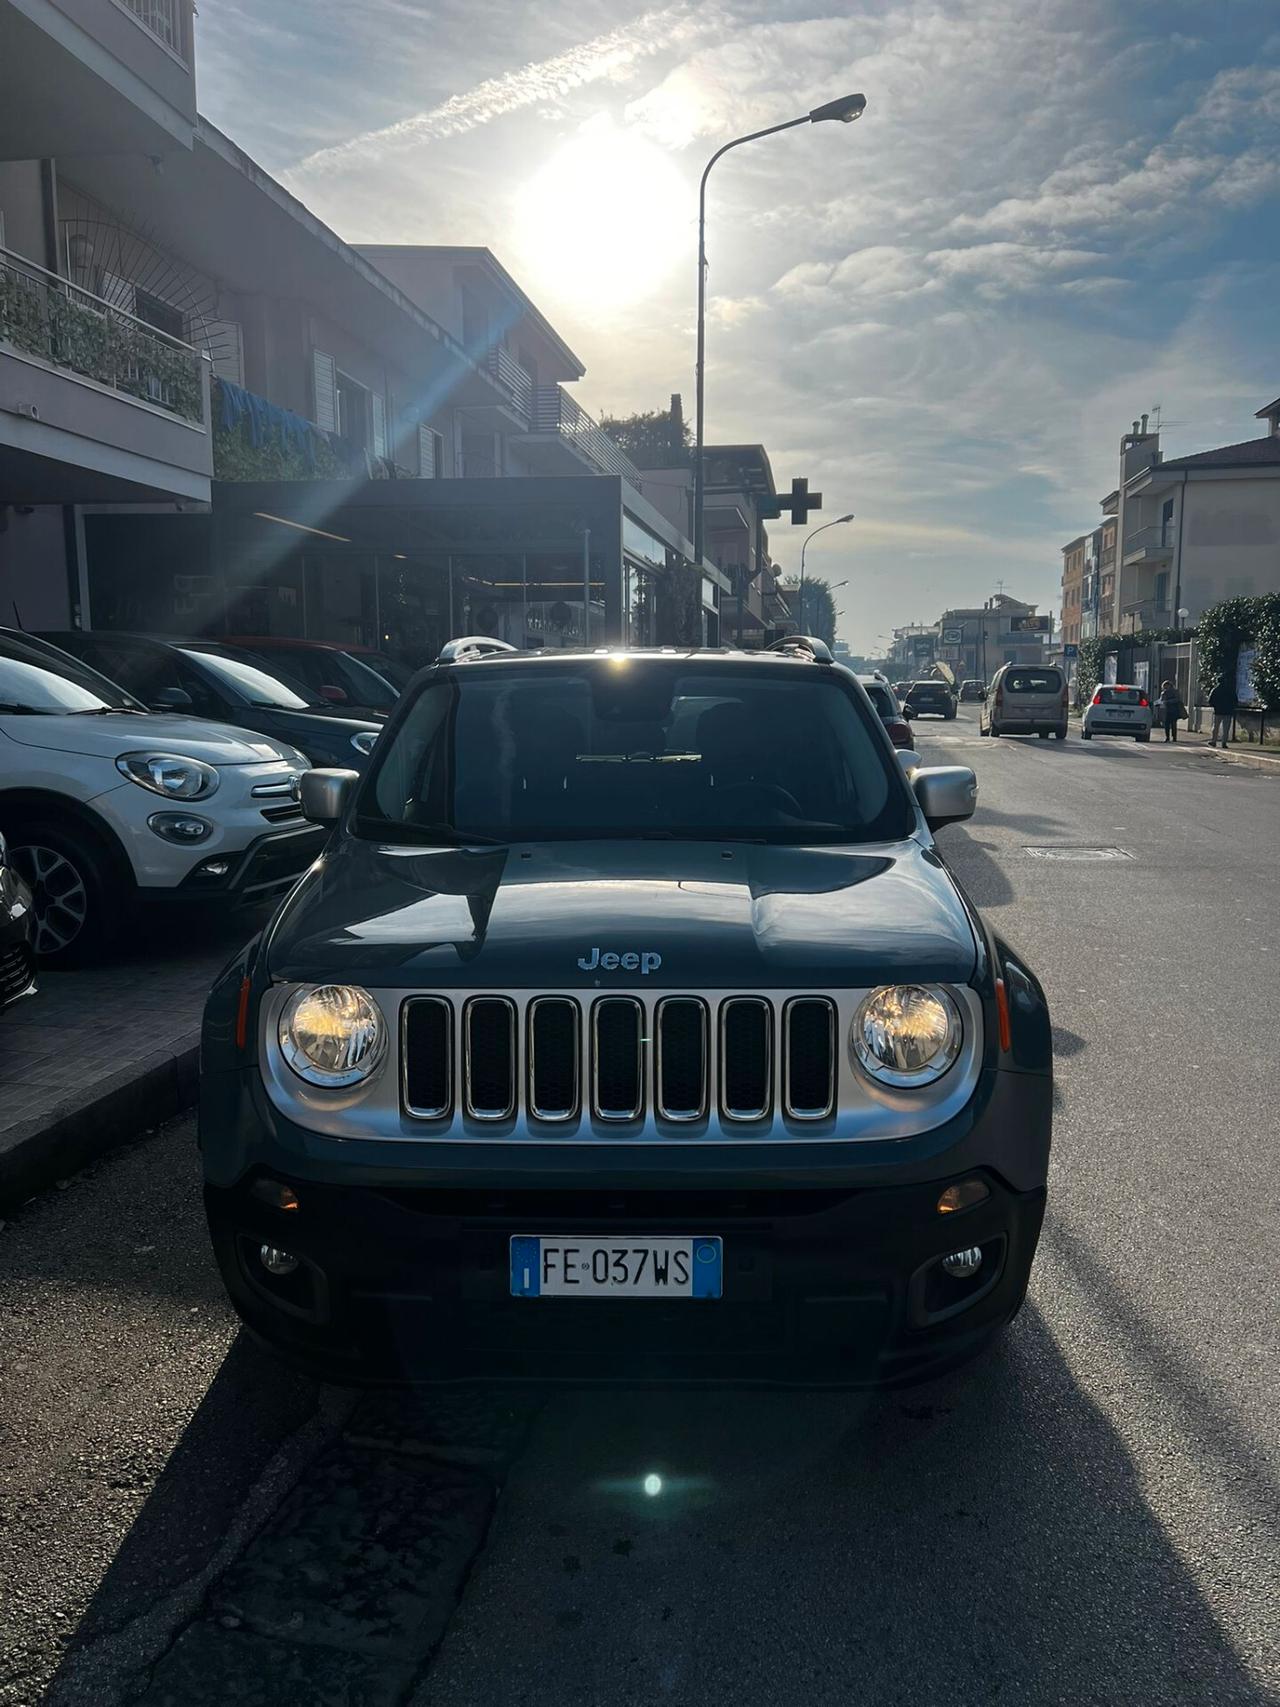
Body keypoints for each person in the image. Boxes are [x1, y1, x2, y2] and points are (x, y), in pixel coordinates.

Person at [1208, 674, 1237, 748]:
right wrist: (1231, 707)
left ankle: (1214, 741)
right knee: (1226, 728)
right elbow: (1235, 700)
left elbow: (1210, 701)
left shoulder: (1215, 690)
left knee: (1215, 727)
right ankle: (1224, 742)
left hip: (1218, 711)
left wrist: (1215, 706)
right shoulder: (1230, 690)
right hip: (1228, 711)